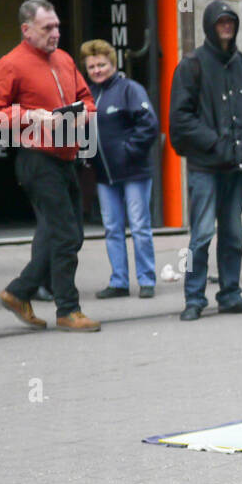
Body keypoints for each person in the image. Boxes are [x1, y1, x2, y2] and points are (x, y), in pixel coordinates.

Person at [0, 0, 99, 331]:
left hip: (65, 158)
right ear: (27, 30)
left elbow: (87, 99)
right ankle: (67, 309)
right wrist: (26, 115)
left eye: (58, 26)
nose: (56, 33)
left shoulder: (63, 59)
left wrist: (83, 117)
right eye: (48, 27)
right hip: (37, 159)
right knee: (65, 235)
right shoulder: (11, 64)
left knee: (65, 234)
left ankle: (19, 291)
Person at [169, 1, 242, 319]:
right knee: (201, 235)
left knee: (233, 234)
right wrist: (216, 143)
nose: (226, 26)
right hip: (205, 166)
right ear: (210, 25)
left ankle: (230, 293)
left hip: (237, 164)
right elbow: (180, 118)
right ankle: (194, 298)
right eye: (221, 21)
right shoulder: (192, 64)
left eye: (231, 21)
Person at [80, 39, 158, 300]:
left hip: (133, 172)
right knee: (112, 228)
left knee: (139, 226)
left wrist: (128, 152)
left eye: (101, 64)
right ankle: (119, 281)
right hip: (104, 175)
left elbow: (149, 125)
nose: (97, 70)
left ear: (113, 64)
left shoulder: (130, 89)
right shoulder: (88, 94)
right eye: (92, 66)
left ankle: (146, 279)